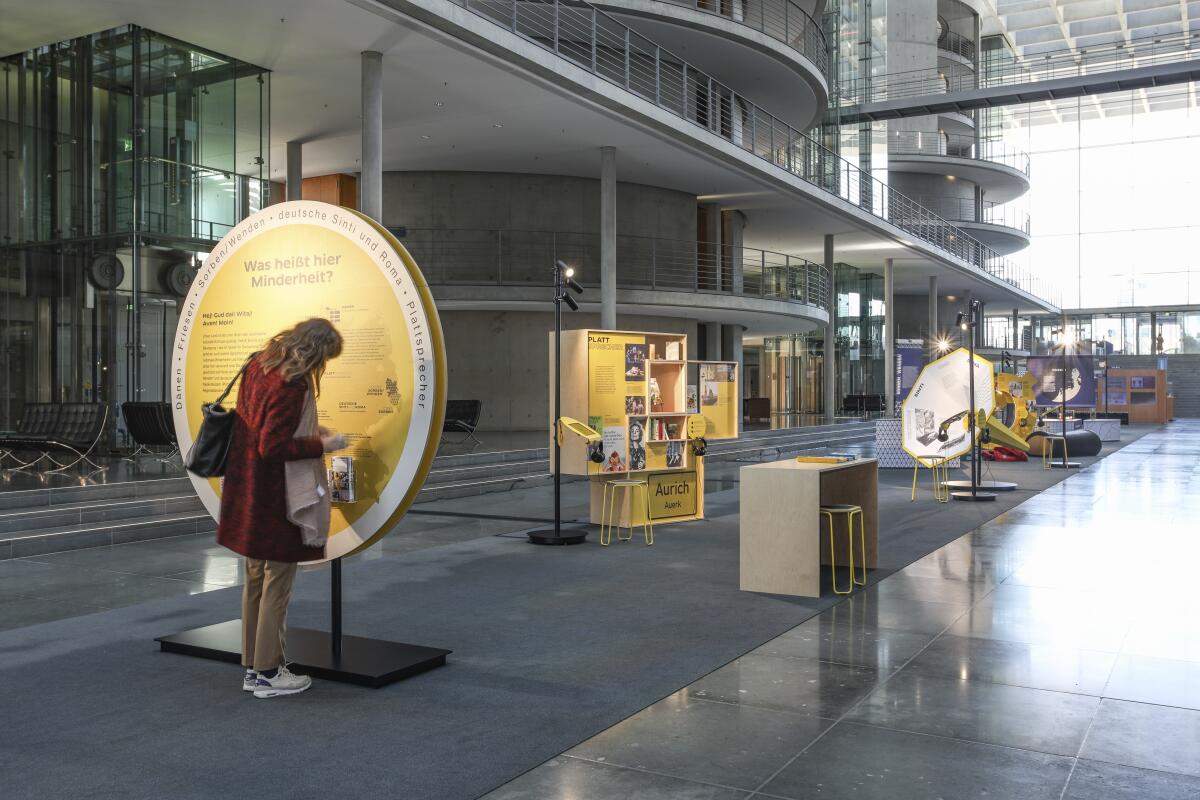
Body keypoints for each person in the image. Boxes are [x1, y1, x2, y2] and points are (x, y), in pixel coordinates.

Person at [217, 318, 346, 699]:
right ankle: (269, 674)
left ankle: (253, 666)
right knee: (279, 580)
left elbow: (260, 431)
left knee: (255, 576)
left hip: (247, 488)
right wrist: (325, 444)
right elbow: (273, 447)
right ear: (315, 353)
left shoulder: (259, 364)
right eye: (325, 359)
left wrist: (308, 433)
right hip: (277, 497)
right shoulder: (291, 384)